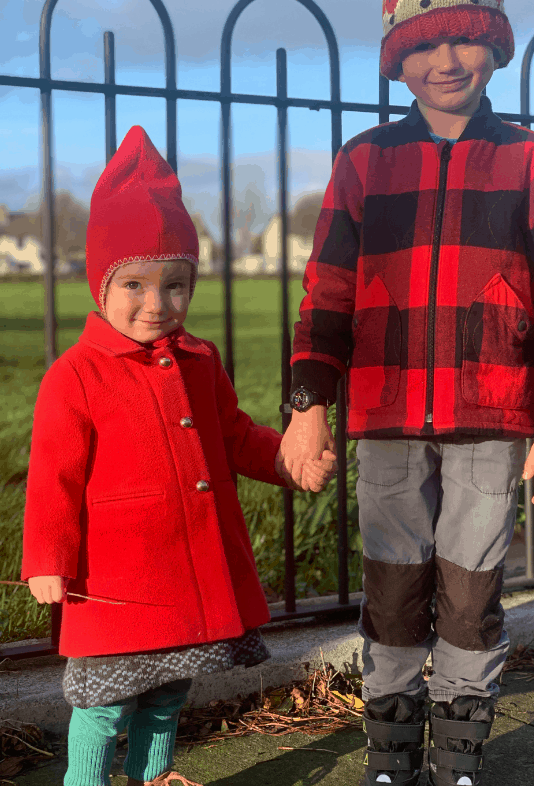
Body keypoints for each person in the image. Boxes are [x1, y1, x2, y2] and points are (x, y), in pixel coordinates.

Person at [279, 0, 534, 786]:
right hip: (383, 418)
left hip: (493, 419)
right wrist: (309, 404)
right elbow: (326, 295)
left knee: (469, 591)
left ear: (494, 44)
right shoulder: (365, 161)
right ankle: (389, 755)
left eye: (464, 39)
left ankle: (457, 757)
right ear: (396, 57)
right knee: (394, 590)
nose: (445, 60)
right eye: (423, 43)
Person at [21, 126, 336, 786]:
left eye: (175, 286)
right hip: (114, 581)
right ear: (98, 283)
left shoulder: (199, 360)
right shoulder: (75, 374)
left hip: (186, 572)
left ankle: (155, 778)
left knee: (167, 695)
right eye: (133, 284)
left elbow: (234, 434)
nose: (155, 305)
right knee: (103, 702)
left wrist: (286, 460)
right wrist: (47, 559)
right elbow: (53, 476)